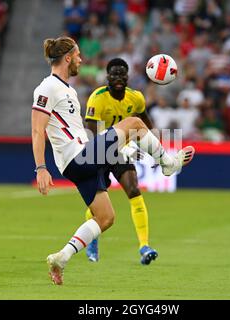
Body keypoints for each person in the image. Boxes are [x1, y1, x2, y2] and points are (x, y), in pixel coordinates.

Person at [31, 36, 195, 285]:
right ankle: (168, 164)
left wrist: (119, 148)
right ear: (67, 58)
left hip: (82, 158)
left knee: (105, 217)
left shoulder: (67, 89)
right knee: (134, 123)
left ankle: (61, 257)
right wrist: (41, 167)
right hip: (77, 158)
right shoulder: (47, 88)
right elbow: (36, 130)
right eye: (77, 56)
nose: (80, 60)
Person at [84, 58, 158, 265]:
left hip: (122, 152)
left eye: (122, 74)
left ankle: (144, 246)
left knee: (134, 190)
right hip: (99, 151)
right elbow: (90, 130)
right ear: (107, 77)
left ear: (128, 76)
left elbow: (146, 124)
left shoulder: (136, 98)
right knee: (98, 202)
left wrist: (154, 150)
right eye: (114, 74)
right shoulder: (98, 98)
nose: (118, 78)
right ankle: (92, 240)